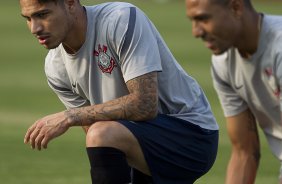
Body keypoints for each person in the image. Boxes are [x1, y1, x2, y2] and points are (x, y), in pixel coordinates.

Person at [20, 0, 219, 183]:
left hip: (193, 135)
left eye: (43, 15)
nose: (34, 28)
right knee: (99, 133)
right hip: (139, 142)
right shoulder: (55, 67)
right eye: (28, 19)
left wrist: (70, 116)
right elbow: (96, 137)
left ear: (70, 3)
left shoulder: (120, 19)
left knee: (101, 133)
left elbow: (145, 105)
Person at [185, 0, 282, 183]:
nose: (196, 32)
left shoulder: (279, 47)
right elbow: (244, 152)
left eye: (203, 19)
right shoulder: (223, 62)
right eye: (192, 20)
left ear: (236, 8)